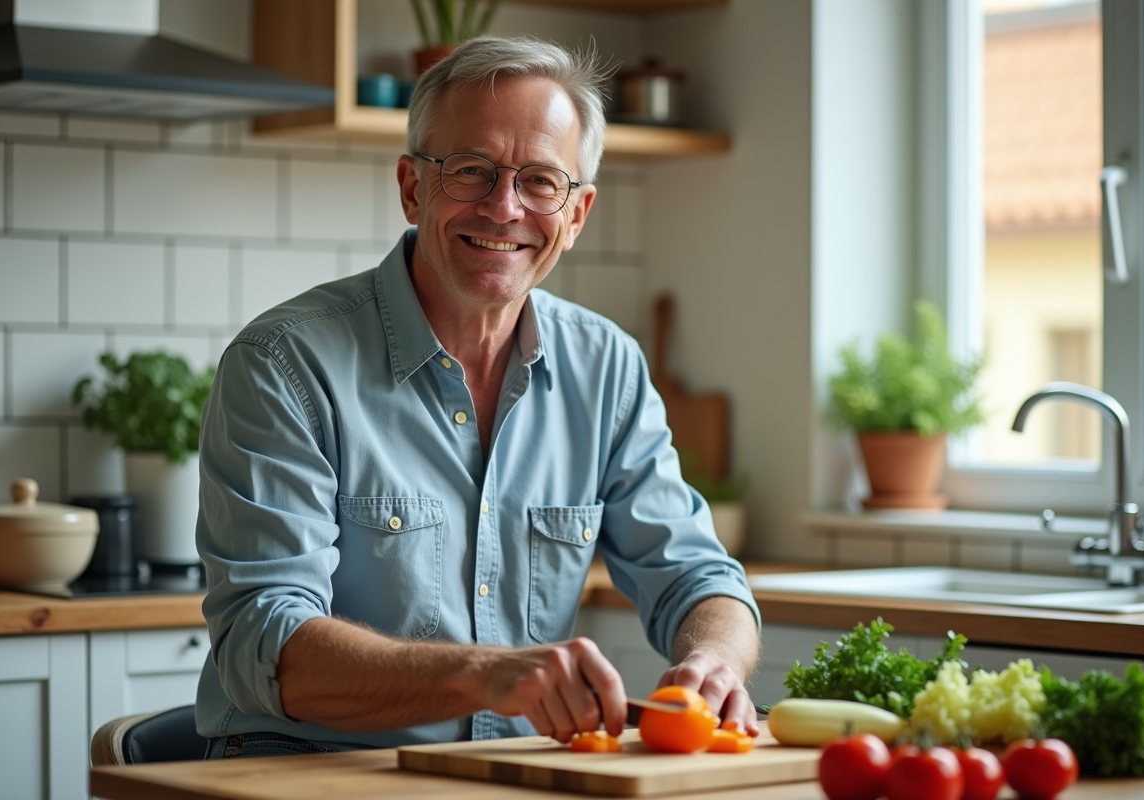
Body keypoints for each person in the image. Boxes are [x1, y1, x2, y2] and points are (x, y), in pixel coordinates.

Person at [194, 34, 761, 758]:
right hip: (309, 773)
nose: (504, 208)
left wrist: (714, 659)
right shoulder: (285, 364)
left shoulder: (607, 367)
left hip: (510, 776)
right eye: (470, 171)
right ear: (411, 187)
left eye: (541, 182)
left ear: (578, 214)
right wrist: (484, 675)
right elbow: (263, 643)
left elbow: (697, 576)